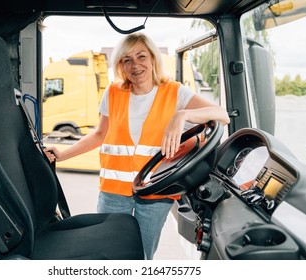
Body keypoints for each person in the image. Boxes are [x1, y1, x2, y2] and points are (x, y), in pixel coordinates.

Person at [44, 32, 230, 259]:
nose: (135, 65)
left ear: (153, 58)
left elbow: (222, 115)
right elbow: (99, 135)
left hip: (155, 193)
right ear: (120, 65)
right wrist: (62, 155)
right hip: (113, 193)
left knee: (141, 256)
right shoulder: (113, 93)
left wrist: (181, 115)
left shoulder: (175, 92)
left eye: (141, 57)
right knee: (108, 254)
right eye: (127, 60)